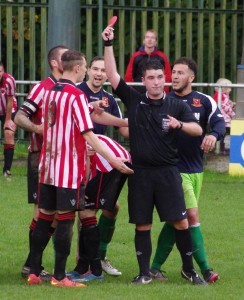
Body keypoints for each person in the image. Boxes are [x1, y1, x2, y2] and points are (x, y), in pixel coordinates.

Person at [102, 25, 205, 285]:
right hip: (142, 174)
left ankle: (189, 270)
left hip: (169, 173)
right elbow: (112, 74)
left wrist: (179, 125)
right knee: (142, 225)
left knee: (181, 223)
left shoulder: (177, 105)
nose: (157, 82)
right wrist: (108, 44)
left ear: (165, 78)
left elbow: (198, 129)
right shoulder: (135, 100)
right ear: (144, 80)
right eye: (151, 78)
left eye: (161, 77)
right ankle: (144, 273)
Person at [26, 49, 132, 287]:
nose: (87, 71)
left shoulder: (51, 91)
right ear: (77, 68)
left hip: (47, 166)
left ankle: (33, 272)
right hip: (67, 169)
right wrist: (114, 160)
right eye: (86, 67)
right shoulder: (75, 95)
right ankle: (60, 277)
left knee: (44, 218)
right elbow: (89, 135)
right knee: (65, 221)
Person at [150, 57, 226, 283]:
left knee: (177, 219)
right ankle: (204, 269)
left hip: (196, 169)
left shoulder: (204, 101)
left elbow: (220, 123)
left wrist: (213, 134)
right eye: (173, 72)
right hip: (174, 169)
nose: (174, 76)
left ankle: (154, 267)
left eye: (180, 73)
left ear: (191, 77)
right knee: (191, 216)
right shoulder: (164, 100)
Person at [67, 56, 129, 282]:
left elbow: (123, 130)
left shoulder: (109, 99)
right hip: (79, 157)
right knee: (81, 209)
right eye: (95, 69)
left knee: (111, 208)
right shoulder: (76, 91)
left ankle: (98, 257)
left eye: (104, 70)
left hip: (101, 159)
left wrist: (146, 132)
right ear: (87, 70)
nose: (99, 73)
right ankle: (79, 261)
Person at [15, 45, 69, 281]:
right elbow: (19, 116)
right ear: (56, 63)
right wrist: (39, 129)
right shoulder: (43, 88)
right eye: (65, 57)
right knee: (43, 212)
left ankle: (32, 264)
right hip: (42, 158)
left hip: (64, 160)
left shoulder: (69, 88)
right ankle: (32, 266)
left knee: (57, 215)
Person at [0, 61, 17, 178]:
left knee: (8, 133)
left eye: (0, 71)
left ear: (3, 71)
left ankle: (7, 170)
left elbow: (10, 101)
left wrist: (7, 120)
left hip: (8, 110)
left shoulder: (9, 80)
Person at [213, 78, 235, 155]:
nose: (230, 90)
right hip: (225, 119)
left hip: (217, 118)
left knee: (219, 133)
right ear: (224, 88)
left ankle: (219, 147)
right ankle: (222, 149)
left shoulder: (217, 95)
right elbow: (227, 108)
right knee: (224, 134)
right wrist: (233, 115)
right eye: (229, 88)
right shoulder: (224, 97)